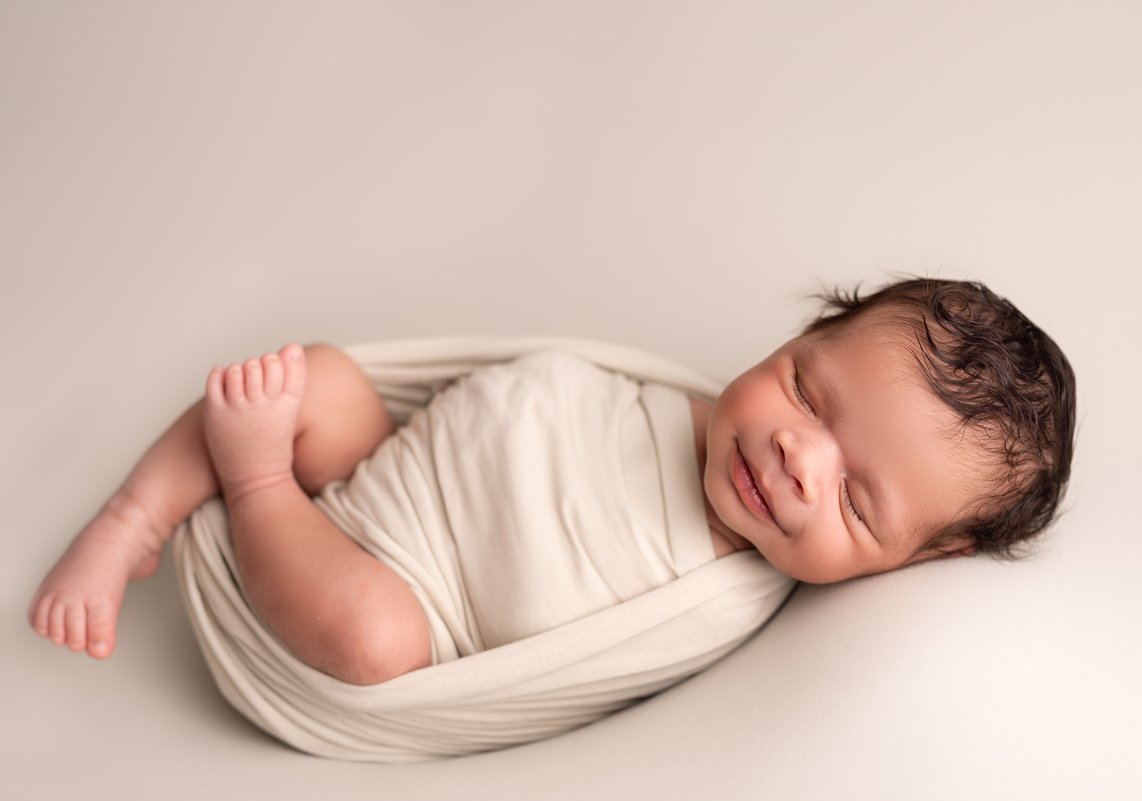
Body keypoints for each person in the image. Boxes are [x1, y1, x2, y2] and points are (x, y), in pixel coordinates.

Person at [27, 277, 1076, 689]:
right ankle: (131, 516)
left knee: (374, 641)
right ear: (799, 334)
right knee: (318, 379)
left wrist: (268, 476)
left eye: (856, 501)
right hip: (387, 460)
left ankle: (251, 483)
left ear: (917, 556)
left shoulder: (708, 607)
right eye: (807, 388)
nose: (800, 456)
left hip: (407, 586)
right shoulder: (669, 399)